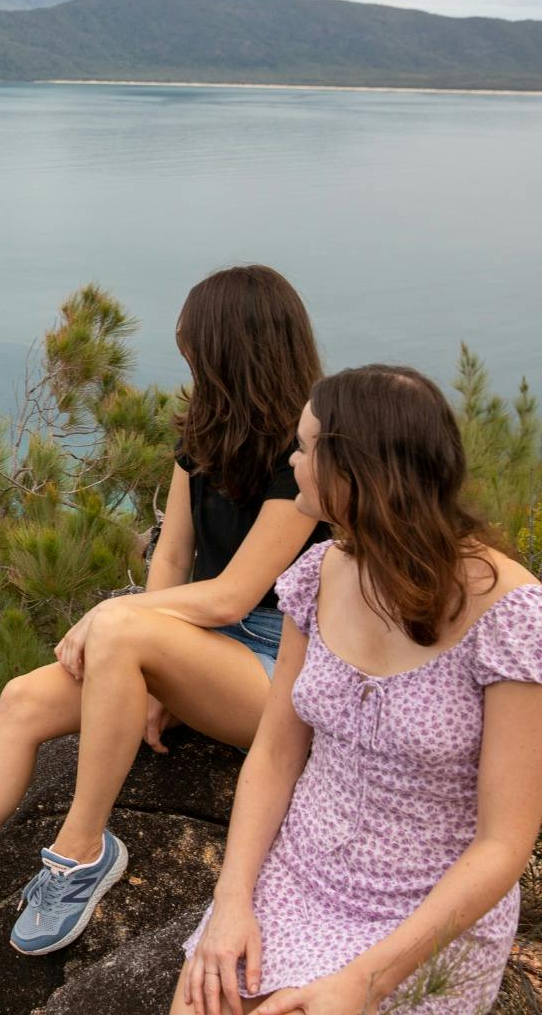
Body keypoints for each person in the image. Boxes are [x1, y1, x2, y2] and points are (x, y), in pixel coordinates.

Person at [0, 264, 327, 992]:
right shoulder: (204, 431)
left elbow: (236, 596)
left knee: (117, 631)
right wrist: (160, 666)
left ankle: (81, 851)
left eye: (196, 348)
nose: (188, 362)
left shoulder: (307, 460)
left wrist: (125, 623)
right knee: (19, 701)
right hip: (200, 640)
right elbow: (171, 553)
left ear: (237, 350)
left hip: (277, 665)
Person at [178, 366, 542, 1015]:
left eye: (304, 446)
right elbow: (275, 754)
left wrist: (364, 982)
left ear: (354, 469)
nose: (291, 460)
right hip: (297, 876)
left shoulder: (510, 613)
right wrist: (232, 901)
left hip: (424, 923)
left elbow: (504, 844)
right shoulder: (319, 574)